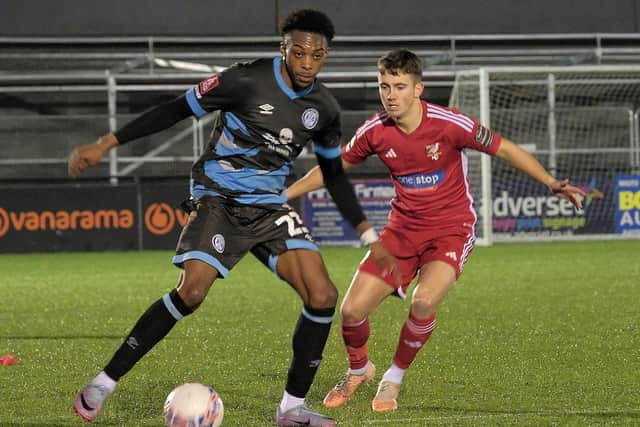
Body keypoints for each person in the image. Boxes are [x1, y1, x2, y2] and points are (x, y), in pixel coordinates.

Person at [68, 10, 399, 427]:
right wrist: (106, 144)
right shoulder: (244, 80)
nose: (307, 62)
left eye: (317, 56)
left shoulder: (324, 108)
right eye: (298, 52)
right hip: (219, 200)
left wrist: (369, 235)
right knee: (191, 292)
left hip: (270, 208)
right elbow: (174, 110)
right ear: (284, 49)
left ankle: (292, 409)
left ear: (325, 56)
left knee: (322, 296)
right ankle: (103, 383)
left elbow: (333, 175)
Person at [284, 48, 586, 413]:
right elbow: (333, 169)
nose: (390, 95)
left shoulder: (449, 124)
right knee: (350, 312)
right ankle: (360, 369)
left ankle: (392, 377)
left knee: (424, 302)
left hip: (451, 229)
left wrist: (550, 181)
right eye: (384, 86)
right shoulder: (375, 131)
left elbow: (504, 149)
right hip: (401, 232)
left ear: (418, 89)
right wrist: (284, 194)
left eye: (399, 86)